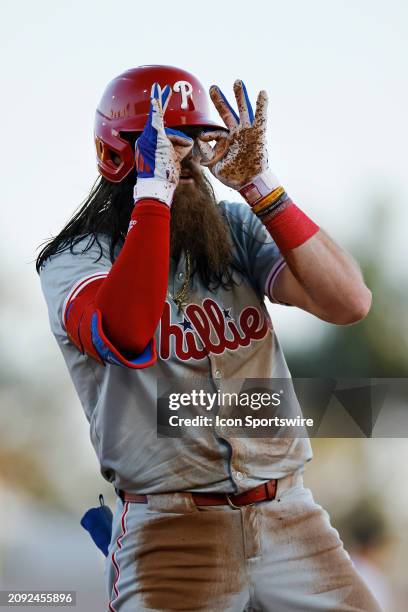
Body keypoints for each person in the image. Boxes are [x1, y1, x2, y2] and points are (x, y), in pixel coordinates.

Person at [37, 65, 381, 611]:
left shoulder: (235, 229)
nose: (186, 158)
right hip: (170, 529)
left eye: (195, 141)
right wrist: (154, 194)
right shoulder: (74, 261)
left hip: (290, 512)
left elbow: (349, 302)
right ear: (116, 155)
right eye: (166, 142)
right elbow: (126, 333)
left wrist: (260, 187)